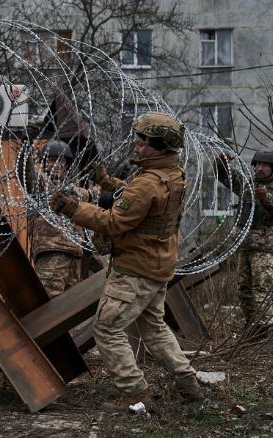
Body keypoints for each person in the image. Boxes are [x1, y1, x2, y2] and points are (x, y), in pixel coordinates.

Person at [50, 112, 203, 410]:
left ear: (158, 146)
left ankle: (134, 392)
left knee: (107, 328)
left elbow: (114, 222)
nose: (136, 144)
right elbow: (136, 198)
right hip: (157, 265)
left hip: (135, 269)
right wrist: (108, 182)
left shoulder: (147, 183)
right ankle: (188, 381)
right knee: (155, 327)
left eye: (143, 141)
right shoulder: (171, 174)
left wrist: (73, 208)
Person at [215, 151, 273, 332]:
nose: (260, 168)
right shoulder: (247, 185)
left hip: (263, 249)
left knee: (261, 290)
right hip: (244, 246)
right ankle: (252, 327)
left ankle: (266, 328)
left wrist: (266, 198)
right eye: (257, 165)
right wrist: (220, 163)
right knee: (244, 291)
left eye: (264, 166)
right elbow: (226, 177)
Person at [29, 140, 96, 297]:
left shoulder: (73, 190)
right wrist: (26, 149)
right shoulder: (41, 185)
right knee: (50, 301)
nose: (58, 164)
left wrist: (111, 181)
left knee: (69, 306)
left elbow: (94, 194)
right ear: (45, 163)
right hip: (53, 252)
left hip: (74, 254)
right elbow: (27, 172)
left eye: (62, 161)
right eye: (52, 160)